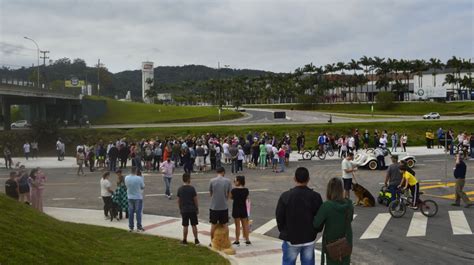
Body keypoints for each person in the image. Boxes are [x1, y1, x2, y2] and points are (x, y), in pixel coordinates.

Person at [276, 167, 323, 265]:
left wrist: (284, 231)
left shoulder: (285, 196)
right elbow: (320, 217)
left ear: (294, 179)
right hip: (309, 238)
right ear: (308, 179)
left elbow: (279, 216)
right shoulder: (315, 196)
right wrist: (315, 230)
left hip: (291, 238)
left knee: (288, 262)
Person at [313, 177, 354, 265]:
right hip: (346, 240)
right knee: (345, 262)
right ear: (341, 190)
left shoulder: (327, 206)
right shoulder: (349, 204)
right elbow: (349, 219)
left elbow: (316, 224)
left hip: (332, 243)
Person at [209, 167, 232, 243]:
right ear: (223, 172)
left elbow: (211, 193)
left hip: (214, 207)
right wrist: (225, 200)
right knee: (225, 225)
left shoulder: (212, 181)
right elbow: (229, 194)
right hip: (224, 206)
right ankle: (226, 240)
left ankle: (212, 241)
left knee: (213, 225)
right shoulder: (228, 181)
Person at [177, 173, 200, 245]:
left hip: (184, 209)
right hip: (192, 209)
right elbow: (195, 199)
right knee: (194, 225)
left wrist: (180, 208)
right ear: (188, 179)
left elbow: (178, 200)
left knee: (185, 225)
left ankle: (184, 240)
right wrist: (197, 208)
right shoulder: (192, 188)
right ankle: (196, 240)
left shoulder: (180, 189)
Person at [231, 175, 251, 246]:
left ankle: (237, 240)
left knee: (237, 225)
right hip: (243, 208)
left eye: (235, 180)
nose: (234, 182)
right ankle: (247, 239)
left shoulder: (233, 190)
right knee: (245, 225)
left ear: (239, 181)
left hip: (236, 208)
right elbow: (247, 199)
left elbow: (231, 197)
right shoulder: (246, 190)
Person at [125, 167, 145, 232]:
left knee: (131, 212)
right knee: (138, 213)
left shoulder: (126, 177)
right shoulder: (139, 178)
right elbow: (142, 187)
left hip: (130, 196)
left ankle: (131, 227)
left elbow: (126, 186)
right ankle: (139, 226)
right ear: (136, 171)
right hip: (138, 197)